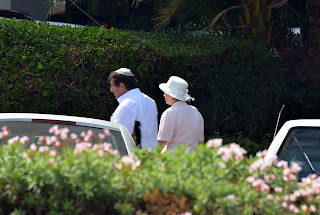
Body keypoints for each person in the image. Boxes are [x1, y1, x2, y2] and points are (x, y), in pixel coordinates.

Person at [108, 68, 158, 150]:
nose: (111, 89)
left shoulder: (127, 104)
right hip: (152, 154)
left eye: (112, 85)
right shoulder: (150, 101)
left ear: (122, 86)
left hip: (136, 156)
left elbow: (120, 137)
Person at [158, 76, 204, 153]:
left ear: (171, 95)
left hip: (173, 160)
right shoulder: (196, 112)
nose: (164, 95)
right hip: (192, 160)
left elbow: (162, 141)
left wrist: (151, 158)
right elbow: (200, 142)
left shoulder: (169, 113)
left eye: (166, 93)